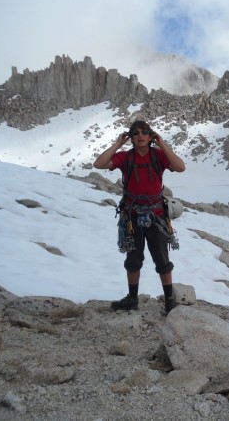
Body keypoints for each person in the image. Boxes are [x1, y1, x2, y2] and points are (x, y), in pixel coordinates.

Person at [94, 115, 186, 314]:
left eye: (144, 132)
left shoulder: (157, 156)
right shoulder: (126, 157)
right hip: (132, 216)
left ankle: (169, 300)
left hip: (157, 215)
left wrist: (162, 144)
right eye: (135, 133)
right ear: (131, 138)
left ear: (151, 136)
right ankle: (132, 298)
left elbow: (180, 167)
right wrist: (118, 143)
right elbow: (99, 164)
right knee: (133, 258)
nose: (140, 136)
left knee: (162, 259)